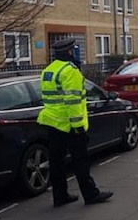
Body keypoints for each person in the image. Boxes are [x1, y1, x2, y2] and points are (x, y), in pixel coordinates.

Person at [37, 38, 113, 207]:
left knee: (57, 161)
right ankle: (91, 194)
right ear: (70, 52)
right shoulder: (70, 71)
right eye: (73, 50)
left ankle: (60, 196)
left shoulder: (48, 70)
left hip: (52, 123)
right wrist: (78, 126)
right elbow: (72, 101)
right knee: (81, 161)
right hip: (70, 125)